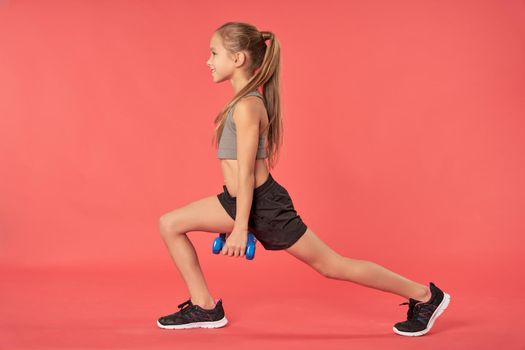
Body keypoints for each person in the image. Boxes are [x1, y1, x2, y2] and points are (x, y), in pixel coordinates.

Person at [156, 21, 451, 336]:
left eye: (214, 53)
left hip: (261, 205)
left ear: (238, 58)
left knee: (332, 266)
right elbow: (238, 175)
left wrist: (241, 226)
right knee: (170, 223)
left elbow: (244, 171)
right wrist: (238, 218)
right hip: (240, 201)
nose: (208, 60)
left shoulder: (247, 106)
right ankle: (204, 305)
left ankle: (425, 296)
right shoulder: (241, 103)